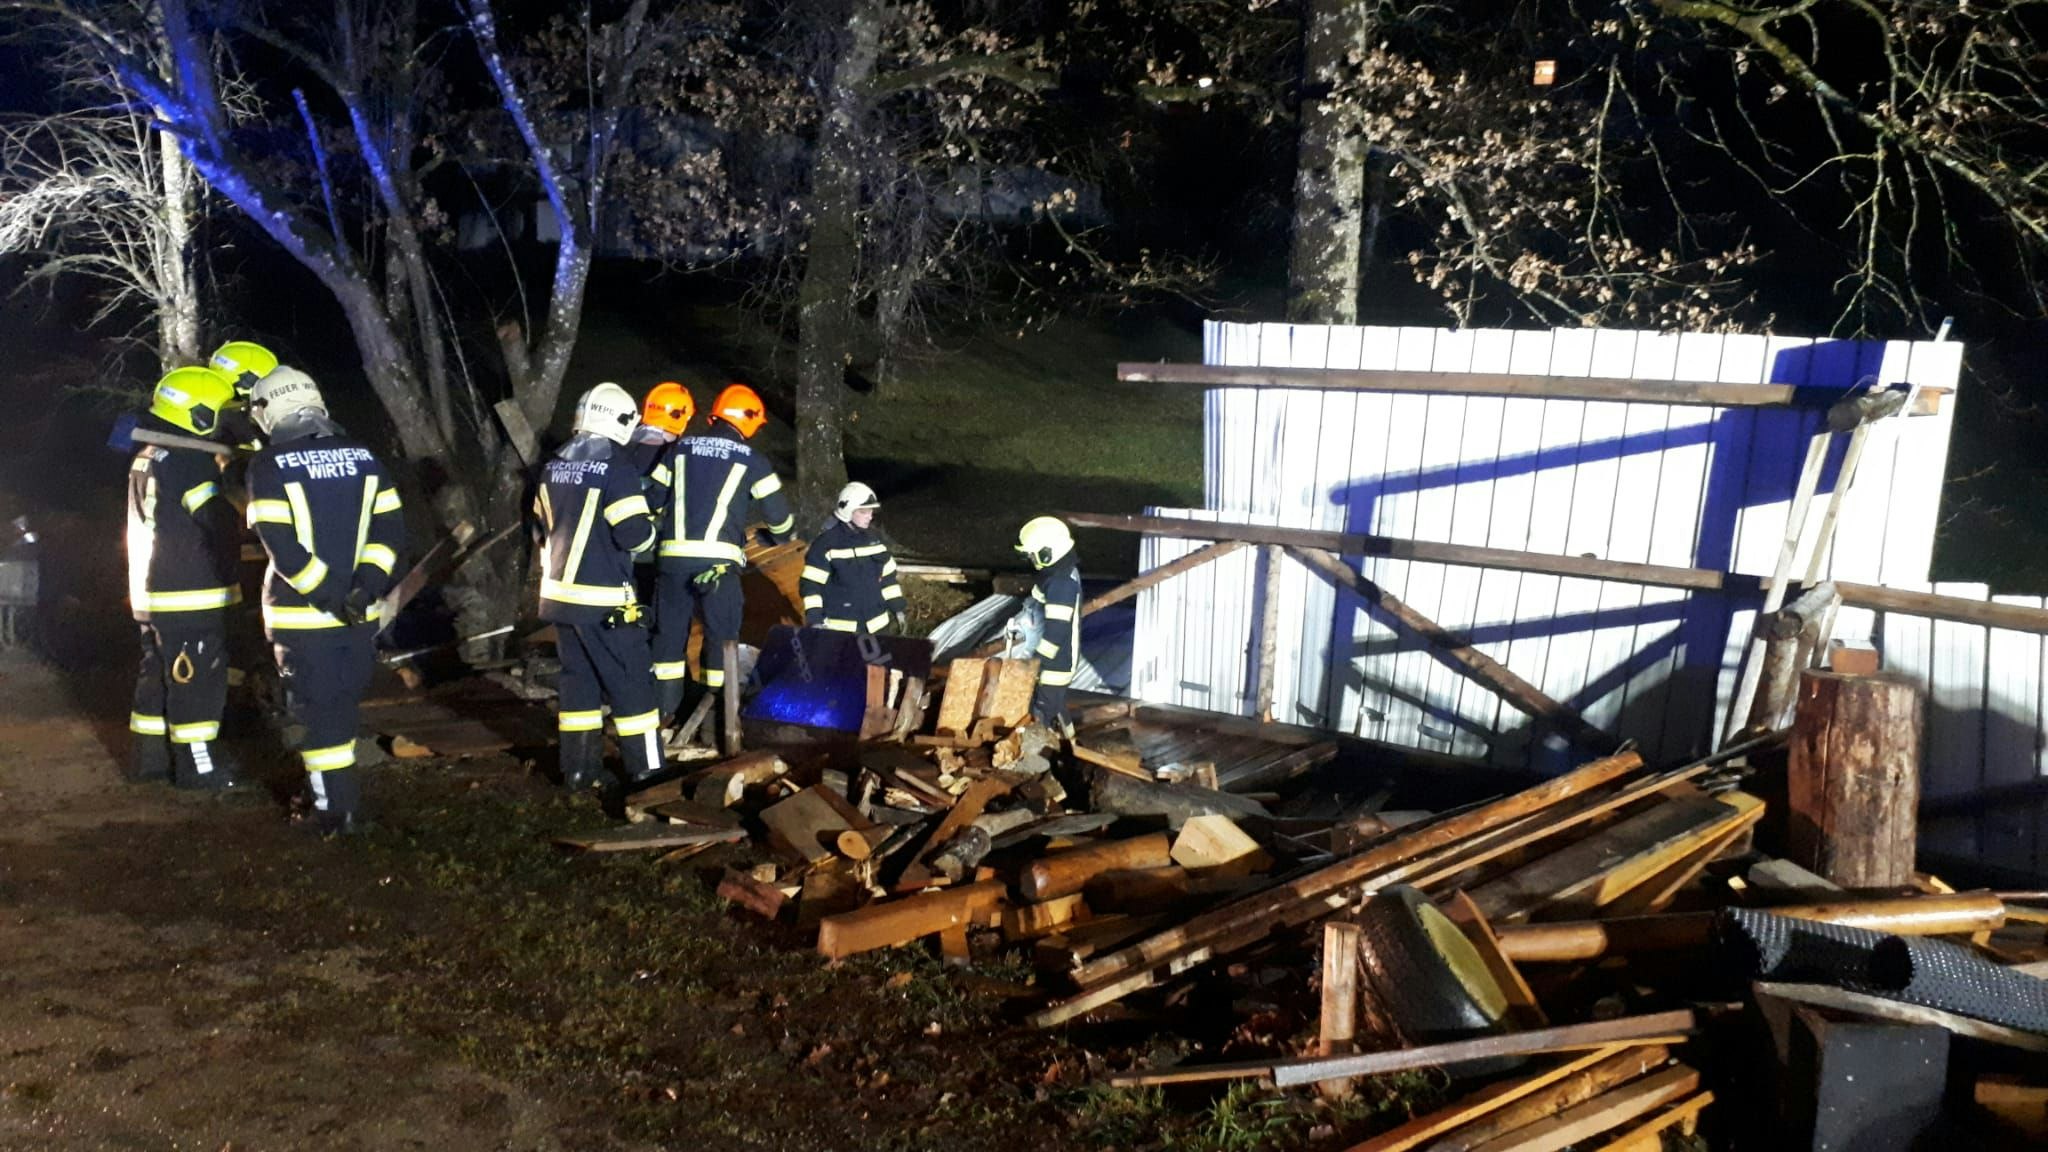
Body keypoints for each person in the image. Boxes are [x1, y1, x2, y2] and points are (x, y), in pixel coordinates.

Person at [243, 366, 405, 833]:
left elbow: (281, 544)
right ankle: (339, 800)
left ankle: (333, 812)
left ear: (269, 410)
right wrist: (363, 589)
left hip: (303, 620)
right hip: (359, 617)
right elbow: (390, 530)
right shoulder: (365, 457)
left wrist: (331, 595)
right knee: (341, 713)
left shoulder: (268, 465)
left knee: (319, 719)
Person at [534, 383, 661, 791]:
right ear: (619, 421)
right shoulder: (617, 468)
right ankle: (647, 771)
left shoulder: (553, 466)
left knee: (579, 687)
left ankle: (578, 770)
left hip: (559, 600)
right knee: (632, 682)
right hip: (604, 602)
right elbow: (634, 535)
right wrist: (652, 528)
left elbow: (539, 526)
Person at [126, 365, 246, 788]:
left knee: (158, 677)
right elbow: (215, 521)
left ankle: (150, 760)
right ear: (198, 414)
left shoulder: (151, 453)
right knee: (197, 681)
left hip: (156, 593)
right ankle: (199, 768)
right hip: (192, 594)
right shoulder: (189, 462)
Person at [647, 382, 794, 719]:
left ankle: (663, 715)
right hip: (719, 568)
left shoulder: (680, 449)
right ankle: (711, 718)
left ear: (716, 417)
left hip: (671, 562)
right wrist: (774, 538)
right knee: (720, 638)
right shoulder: (753, 461)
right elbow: (781, 521)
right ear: (749, 421)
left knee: (668, 640)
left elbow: (652, 499)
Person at [626, 383, 692, 649]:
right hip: (651, 549)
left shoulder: (623, 442)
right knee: (656, 621)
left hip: (618, 549)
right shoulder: (669, 451)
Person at [800, 482, 906, 635]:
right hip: (841, 630)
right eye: (863, 512)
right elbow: (811, 585)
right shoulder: (825, 545)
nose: (870, 516)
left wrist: (898, 608)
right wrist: (815, 620)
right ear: (847, 511)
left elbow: (888, 579)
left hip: (879, 628)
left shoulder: (875, 541)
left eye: (871, 511)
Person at [1014, 515, 1082, 731]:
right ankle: (1071, 740)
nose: (1031, 560)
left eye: (1033, 555)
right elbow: (1037, 608)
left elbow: (1057, 630)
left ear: (1048, 552)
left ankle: (1040, 748)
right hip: (1050, 662)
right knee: (1057, 707)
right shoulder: (1056, 575)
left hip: (1055, 665)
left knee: (1041, 713)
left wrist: (1038, 661)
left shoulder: (1061, 584)